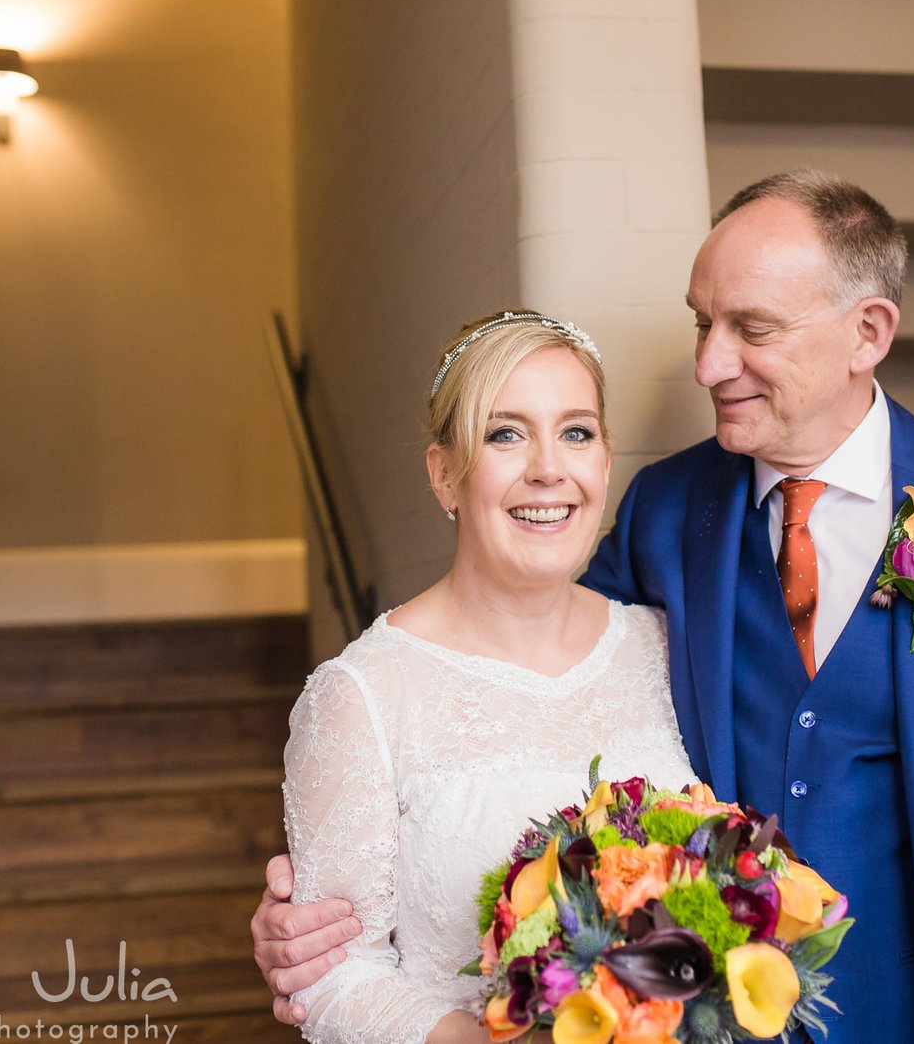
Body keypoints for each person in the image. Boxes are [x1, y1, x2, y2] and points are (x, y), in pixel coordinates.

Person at [255, 171, 914, 1043]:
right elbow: (531, 677)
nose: (710, 365)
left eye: (750, 329)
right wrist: (314, 931)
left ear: (866, 334)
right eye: (701, 322)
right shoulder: (667, 511)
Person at [277, 311, 697, 1043]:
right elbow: (331, 971)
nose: (548, 467)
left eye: (576, 431)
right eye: (506, 433)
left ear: (603, 462)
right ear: (444, 474)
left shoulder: (661, 647)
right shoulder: (362, 696)